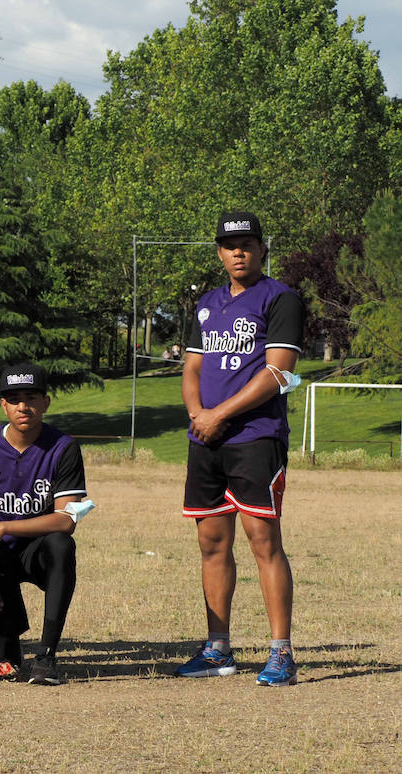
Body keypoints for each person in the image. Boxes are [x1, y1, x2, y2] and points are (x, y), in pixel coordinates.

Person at [176, 211, 305, 687]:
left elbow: (278, 372)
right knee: (211, 544)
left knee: (264, 543)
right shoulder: (207, 304)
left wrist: (219, 415)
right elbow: (191, 368)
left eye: (247, 243)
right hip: (206, 439)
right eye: (229, 244)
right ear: (218, 252)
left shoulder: (281, 298)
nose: (238, 251)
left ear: (261, 248)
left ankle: (281, 653)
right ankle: (218, 649)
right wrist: (198, 416)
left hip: (256, 438)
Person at [0, 363, 92, 685]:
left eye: (31, 397)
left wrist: (4, 526)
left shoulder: (63, 447)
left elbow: (65, 520)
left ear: (46, 402)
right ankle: (3, 650)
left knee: (62, 545)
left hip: (38, 548)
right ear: (2, 404)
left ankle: (47, 656)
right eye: (13, 398)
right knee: (0, 664)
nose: (22, 406)